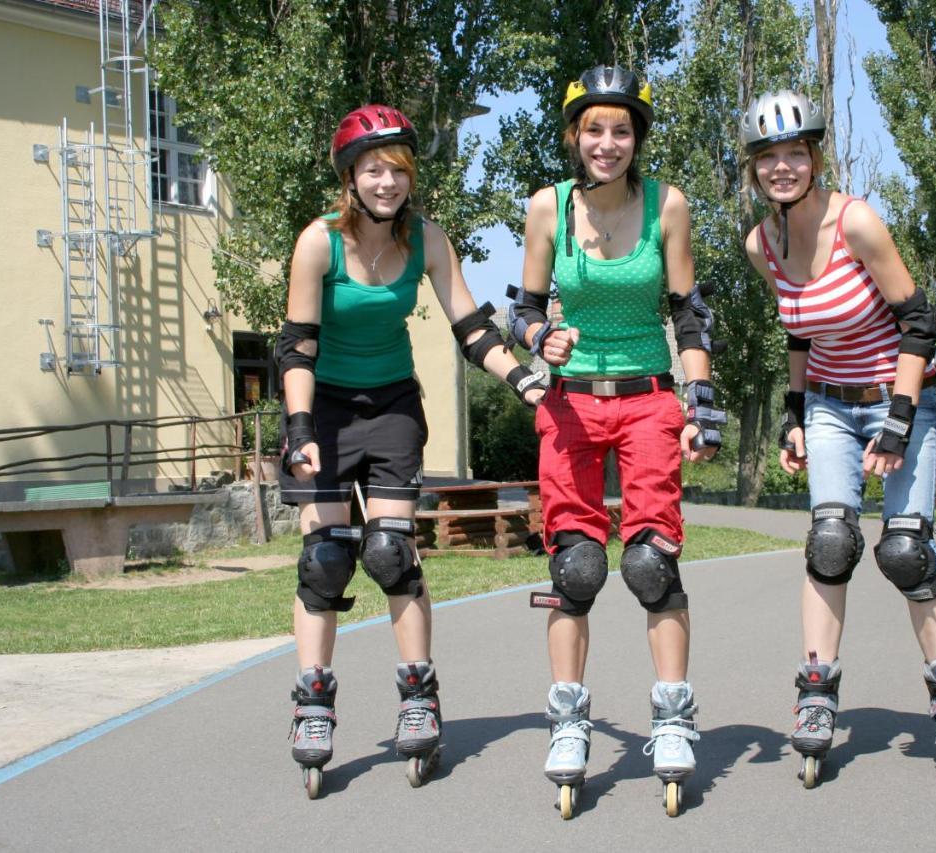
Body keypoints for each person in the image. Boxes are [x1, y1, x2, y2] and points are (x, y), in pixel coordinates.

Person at [278, 104, 546, 799]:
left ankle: (418, 694)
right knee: (326, 558)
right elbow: (296, 345)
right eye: (372, 169)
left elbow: (470, 326)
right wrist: (301, 427)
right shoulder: (318, 244)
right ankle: (313, 703)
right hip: (325, 409)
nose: (386, 181)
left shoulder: (426, 238)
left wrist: (517, 376)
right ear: (349, 177)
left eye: (397, 169)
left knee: (391, 552)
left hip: (393, 403)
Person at [740, 91, 936, 790]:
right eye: (768, 157)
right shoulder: (764, 244)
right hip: (827, 403)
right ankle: (816, 692)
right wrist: (793, 413)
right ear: (754, 169)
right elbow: (797, 331)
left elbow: (921, 321)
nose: (782, 167)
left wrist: (902, 417)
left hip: (898, 395)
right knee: (830, 541)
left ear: (815, 158)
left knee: (906, 549)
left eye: (795, 153)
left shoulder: (857, 222)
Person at [509, 65, 725, 818]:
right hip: (570, 405)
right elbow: (523, 311)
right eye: (594, 129)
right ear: (574, 136)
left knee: (649, 564)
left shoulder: (668, 204)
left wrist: (700, 401)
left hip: (648, 399)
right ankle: (570, 719)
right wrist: (543, 336)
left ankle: (671, 713)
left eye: (622, 130)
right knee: (575, 566)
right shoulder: (548, 207)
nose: (608, 143)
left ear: (638, 138)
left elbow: (689, 314)